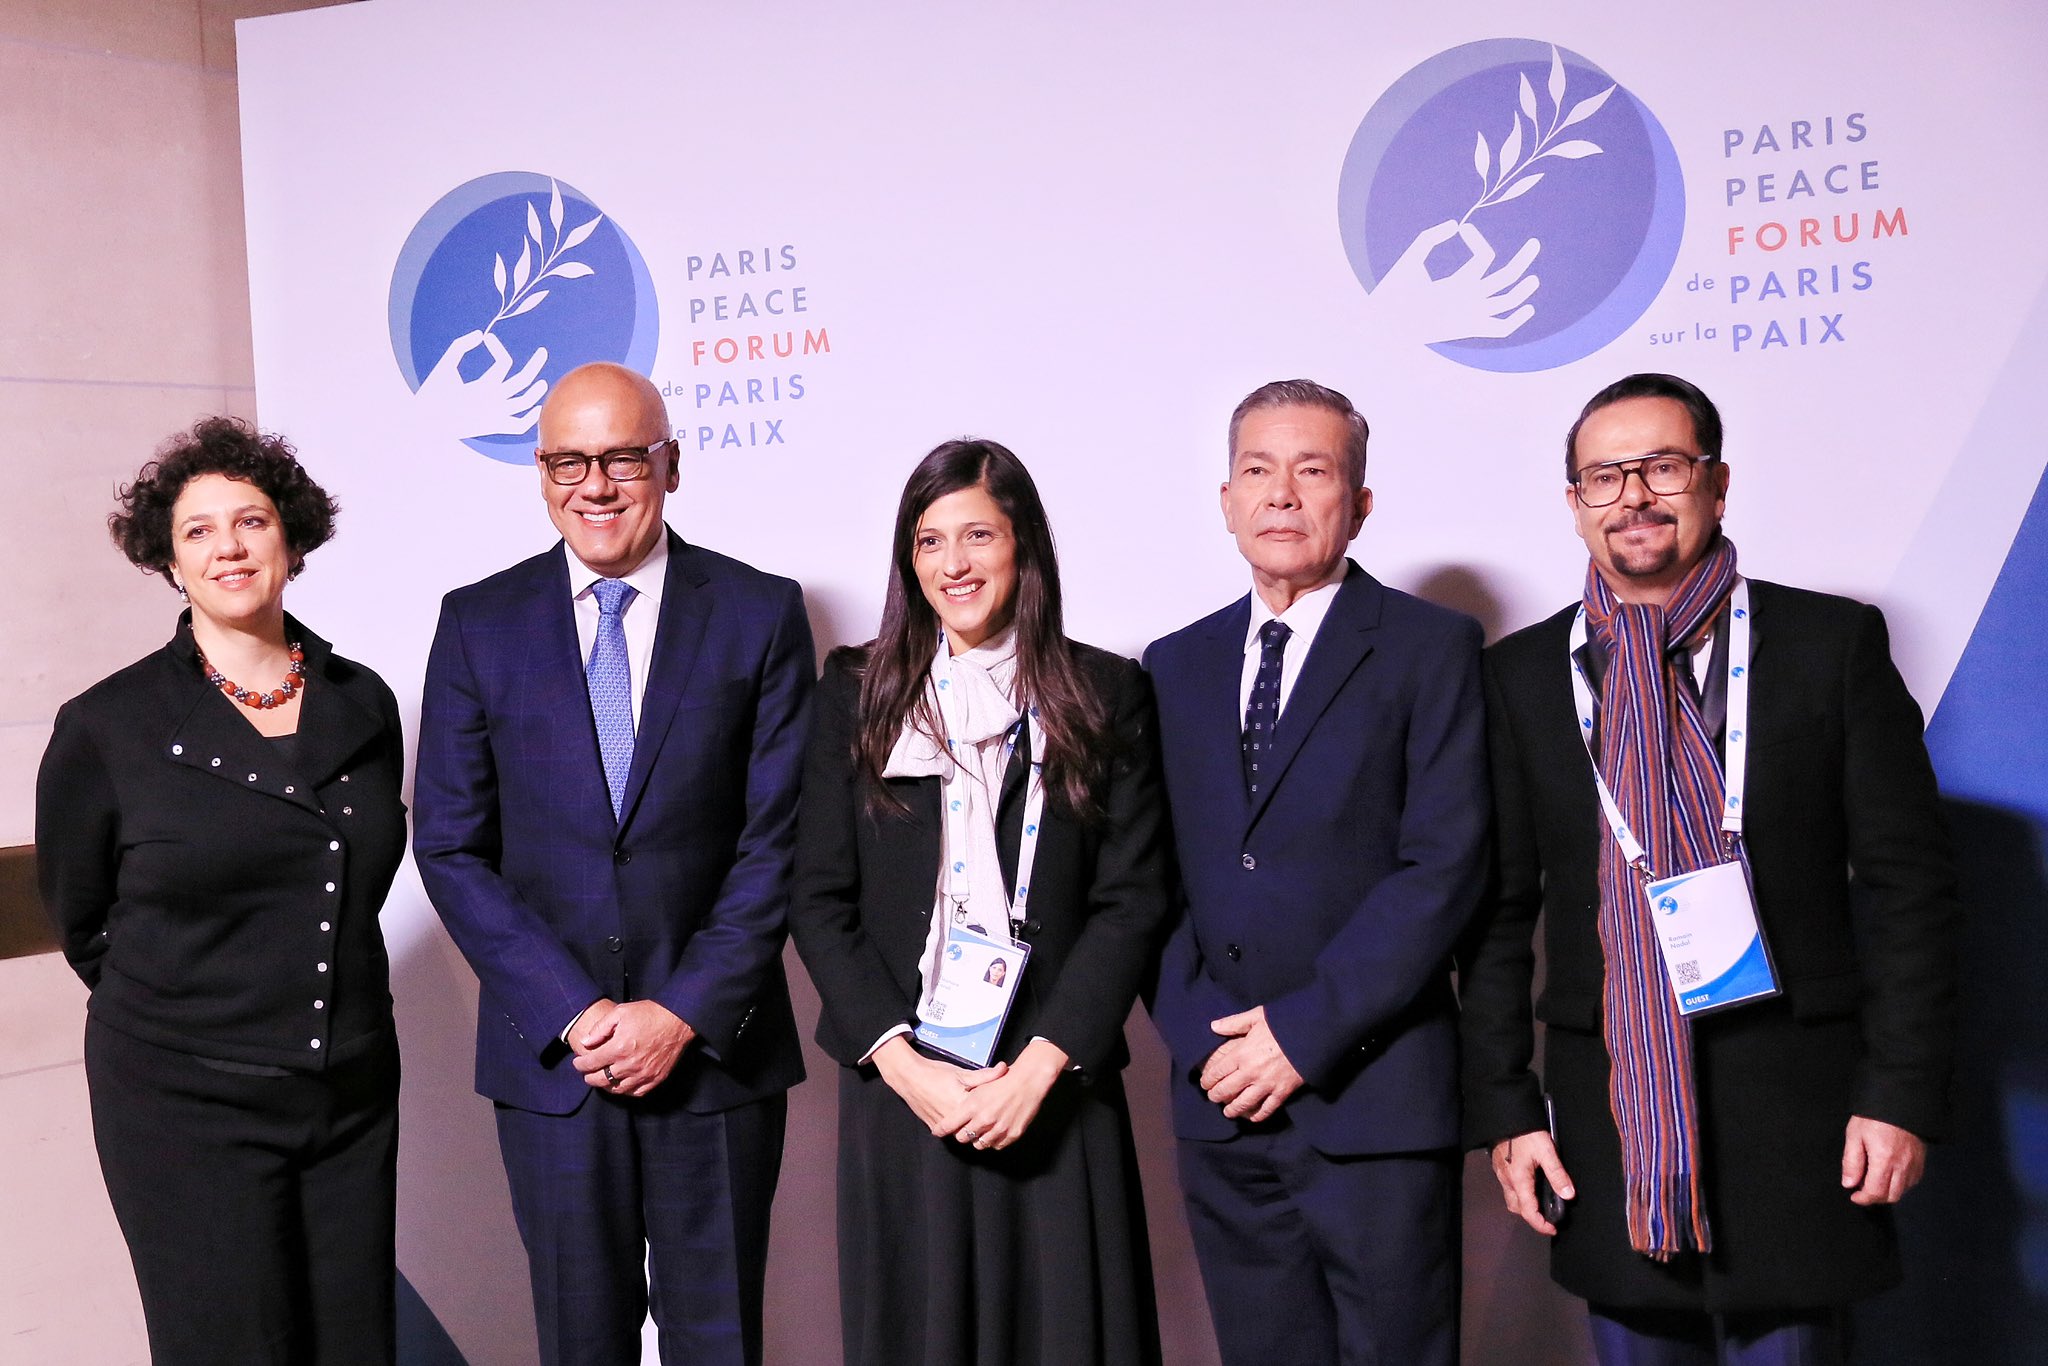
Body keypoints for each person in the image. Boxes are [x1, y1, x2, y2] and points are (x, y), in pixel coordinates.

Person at [1459, 373, 1962, 1364]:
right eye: (1603, 477)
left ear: (1715, 484)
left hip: (1800, 1111)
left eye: (1661, 466)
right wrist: (1506, 1107)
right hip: (1609, 1121)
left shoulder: (1828, 644)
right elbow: (1497, 913)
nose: (1633, 496)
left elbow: (1911, 891)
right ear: (1572, 505)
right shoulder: (1520, 676)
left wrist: (1898, 1090)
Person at [413, 363, 812, 1366]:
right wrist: (578, 1012)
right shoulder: (477, 621)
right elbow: (451, 844)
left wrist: (677, 1012)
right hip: (555, 1061)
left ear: (668, 464)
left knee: (716, 1339)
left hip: (714, 1053)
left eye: (622, 456)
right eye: (565, 460)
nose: (594, 483)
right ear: (540, 472)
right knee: (579, 1342)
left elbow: (779, 839)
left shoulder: (759, 612)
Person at [789, 438, 1170, 1366]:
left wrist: (1041, 1067)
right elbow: (818, 897)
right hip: (906, 1091)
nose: (952, 564)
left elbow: (1133, 898)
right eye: (928, 541)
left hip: (1052, 1084)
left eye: (977, 536)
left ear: (1024, 546)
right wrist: (905, 1066)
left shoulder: (1104, 691)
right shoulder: (856, 691)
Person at [35, 418, 407, 1363]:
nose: (229, 547)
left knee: (354, 1345)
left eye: (250, 521)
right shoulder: (107, 725)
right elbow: (84, 921)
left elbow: (361, 878)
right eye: (199, 531)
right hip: (184, 1104)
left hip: (350, 1092)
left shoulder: (363, 699)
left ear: (292, 538)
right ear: (168, 559)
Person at [1143, 379, 1487, 1366]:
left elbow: (1441, 867)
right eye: (1257, 470)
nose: (1281, 495)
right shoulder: (1172, 665)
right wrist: (1204, 1041)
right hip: (1220, 1103)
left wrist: (1301, 1033)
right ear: (1224, 499)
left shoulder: (1432, 648)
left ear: (1361, 502)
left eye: (1312, 470)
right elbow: (1143, 881)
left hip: (1371, 1097)